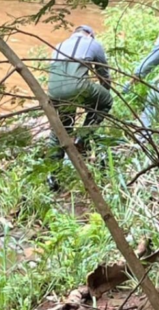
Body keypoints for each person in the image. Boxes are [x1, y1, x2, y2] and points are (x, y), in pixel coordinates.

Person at [46, 25, 112, 191]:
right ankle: (81, 138)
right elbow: (104, 75)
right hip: (78, 88)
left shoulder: (59, 46)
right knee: (105, 101)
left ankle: (51, 176)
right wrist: (99, 98)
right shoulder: (93, 44)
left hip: (54, 92)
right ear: (90, 34)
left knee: (60, 129)